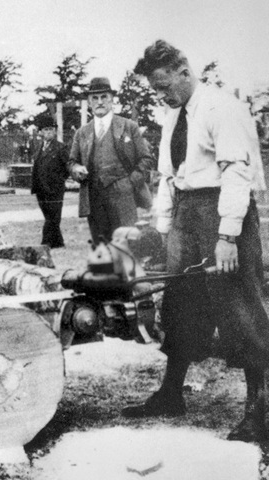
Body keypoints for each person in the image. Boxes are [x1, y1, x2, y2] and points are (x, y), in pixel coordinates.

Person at [122, 39, 269, 445]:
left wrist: (227, 236)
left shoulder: (223, 108)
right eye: (155, 89)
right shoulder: (174, 115)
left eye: (164, 86)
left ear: (184, 72)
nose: (161, 95)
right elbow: (169, 176)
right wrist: (164, 227)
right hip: (187, 214)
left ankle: (259, 412)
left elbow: (236, 174)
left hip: (221, 212)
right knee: (180, 303)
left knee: (237, 305)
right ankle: (171, 394)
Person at [68, 77, 155, 245]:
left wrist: (130, 182)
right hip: (94, 196)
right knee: (101, 246)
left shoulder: (129, 126)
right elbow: (71, 162)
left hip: (123, 196)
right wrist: (77, 169)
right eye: (95, 98)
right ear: (89, 102)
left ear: (111, 99)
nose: (99, 102)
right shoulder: (82, 133)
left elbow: (146, 159)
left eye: (104, 97)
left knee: (127, 243)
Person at [30, 116, 69, 248]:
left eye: (51, 129)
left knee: (54, 216)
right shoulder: (38, 147)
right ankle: (58, 242)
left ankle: (46, 242)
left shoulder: (61, 148)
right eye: (46, 130)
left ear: (55, 131)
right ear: (41, 132)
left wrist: (58, 180)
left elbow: (68, 167)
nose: (49, 132)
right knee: (48, 215)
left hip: (55, 189)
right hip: (40, 189)